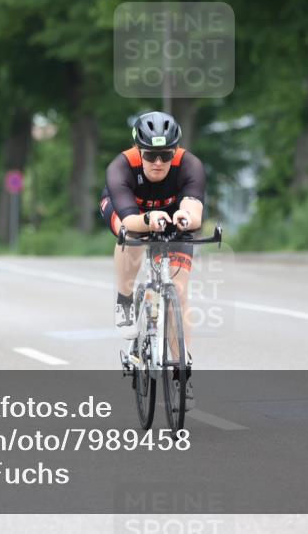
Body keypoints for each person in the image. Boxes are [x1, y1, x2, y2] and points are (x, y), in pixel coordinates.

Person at [99, 111, 205, 409]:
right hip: (130, 213)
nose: (158, 162)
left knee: (179, 292)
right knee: (128, 236)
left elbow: (194, 209)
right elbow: (131, 220)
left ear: (175, 151)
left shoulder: (190, 165)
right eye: (151, 155)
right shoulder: (121, 167)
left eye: (165, 155)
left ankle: (181, 370)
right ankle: (124, 300)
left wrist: (186, 216)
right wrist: (147, 219)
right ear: (138, 150)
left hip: (171, 218)